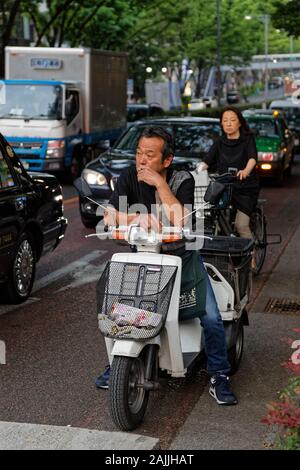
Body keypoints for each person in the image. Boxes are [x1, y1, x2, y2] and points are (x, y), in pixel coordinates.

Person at [95, 126, 237, 406]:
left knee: (210, 317)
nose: (141, 161)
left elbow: (182, 219)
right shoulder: (127, 176)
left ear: (166, 160)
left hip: (183, 259)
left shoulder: (182, 178)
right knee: (121, 310)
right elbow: (109, 217)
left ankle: (220, 375)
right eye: (138, 153)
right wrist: (136, 219)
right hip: (143, 259)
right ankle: (119, 364)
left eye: (149, 155)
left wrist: (160, 184)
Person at [199, 106, 260, 246]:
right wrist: (194, 173)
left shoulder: (247, 139)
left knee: (241, 225)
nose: (229, 123)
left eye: (232, 120)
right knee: (215, 221)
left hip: (245, 188)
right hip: (224, 189)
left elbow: (252, 158)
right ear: (221, 123)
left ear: (239, 122)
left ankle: (250, 255)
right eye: (225, 120)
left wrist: (245, 171)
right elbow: (206, 162)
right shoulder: (219, 142)